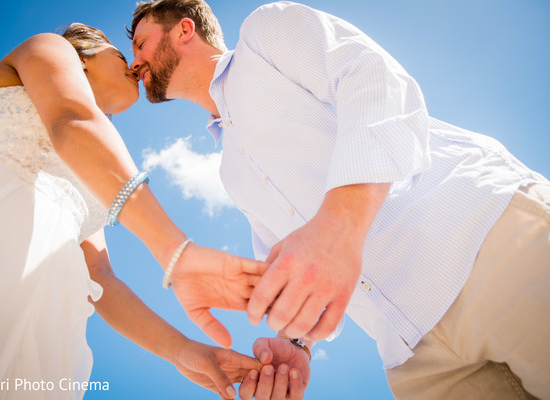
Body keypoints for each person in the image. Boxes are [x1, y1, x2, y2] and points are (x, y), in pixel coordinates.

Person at [127, 1, 550, 399]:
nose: (134, 63)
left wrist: (339, 223)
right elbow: (288, 258)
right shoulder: (229, 171)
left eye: (141, 43)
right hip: (417, 360)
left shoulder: (263, 34)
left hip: (481, 243)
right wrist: (297, 343)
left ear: (184, 29)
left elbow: (374, 78)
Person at [0, 22, 266, 399]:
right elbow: (71, 121)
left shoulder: (95, 171)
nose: (135, 66)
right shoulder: (49, 46)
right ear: (83, 56)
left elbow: (101, 279)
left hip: (32, 309)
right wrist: (175, 251)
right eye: (121, 55)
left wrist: (184, 351)